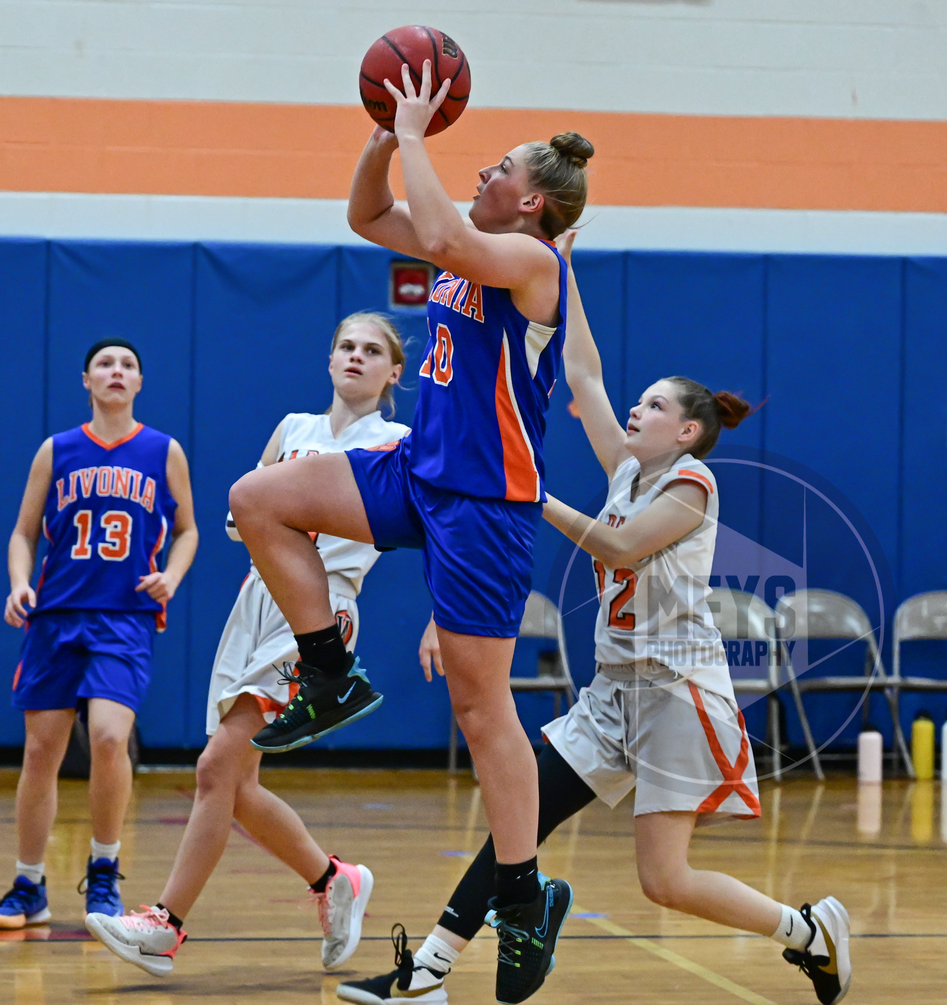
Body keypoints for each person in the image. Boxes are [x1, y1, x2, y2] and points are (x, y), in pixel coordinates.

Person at [336, 233, 852, 1005]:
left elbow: (616, 545)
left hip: (678, 690)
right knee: (520, 821)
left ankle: (808, 931)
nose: (633, 409)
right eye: (636, 401)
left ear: (683, 430)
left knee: (663, 881)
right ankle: (430, 971)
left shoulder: (692, 485)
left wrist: (522, 490)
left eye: (652, 405)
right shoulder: (625, 466)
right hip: (612, 693)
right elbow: (581, 369)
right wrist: (559, 265)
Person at [228, 60, 593, 1004]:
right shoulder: (472, 240)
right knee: (258, 498)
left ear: (538, 203)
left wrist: (422, 134)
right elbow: (368, 216)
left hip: (484, 502)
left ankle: (522, 895)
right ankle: (328, 671)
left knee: (483, 711)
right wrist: (385, 137)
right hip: (416, 469)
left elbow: (433, 227)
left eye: (502, 166)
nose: (485, 172)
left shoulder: (532, 263)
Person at [84, 313, 410, 976]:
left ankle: (165, 926)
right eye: (345, 345)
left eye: (371, 350)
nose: (355, 356)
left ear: (393, 372)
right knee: (236, 782)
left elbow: (437, 530)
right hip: (257, 603)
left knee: (214, 769)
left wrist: (439, 620)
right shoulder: (293, 429)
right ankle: (334, 879)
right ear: (328, 360)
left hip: (322, 611)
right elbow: (244, 515)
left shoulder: (397, 440)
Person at [1, 339, 198, 929]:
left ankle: (105, 870)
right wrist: (17, 583)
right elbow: (22, 533)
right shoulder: (55, 450)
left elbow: (188, 530)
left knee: (110, 738)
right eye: (107, 364)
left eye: (129, 365)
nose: (117, 372)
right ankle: (28, 883)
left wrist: (173, 575)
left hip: (125, 617)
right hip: (56, 614)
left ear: (140, 383)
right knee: (41, 752)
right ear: (86, 380)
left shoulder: (164, 451)